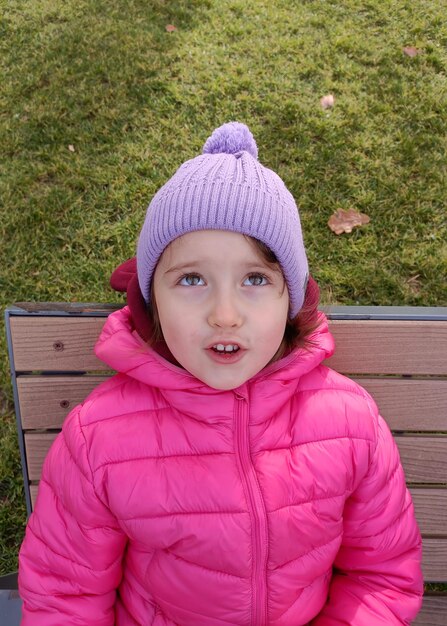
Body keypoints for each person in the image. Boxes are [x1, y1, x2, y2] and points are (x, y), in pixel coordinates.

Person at [18, 122, 423, 625]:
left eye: (255, 278)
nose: (225, 314)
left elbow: (381, 578)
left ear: (291, 299)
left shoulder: (351, 423)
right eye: (191, 279)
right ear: (152, 303)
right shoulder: (97, 439)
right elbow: (64, 597)